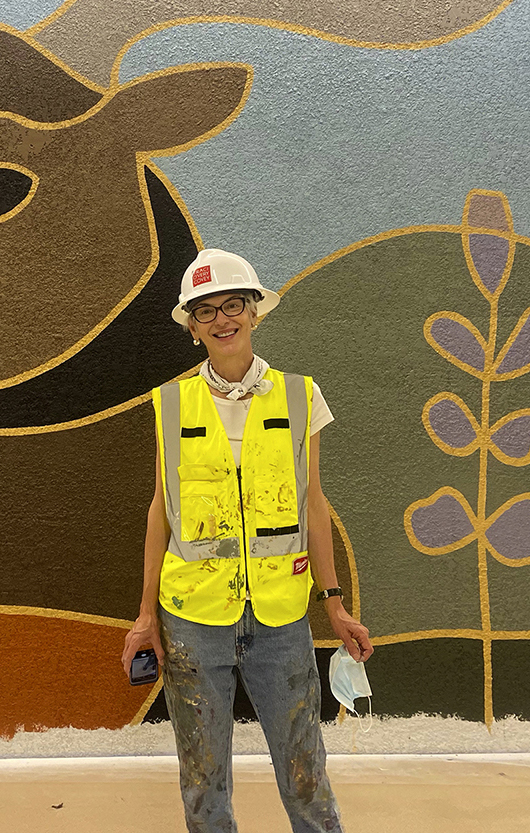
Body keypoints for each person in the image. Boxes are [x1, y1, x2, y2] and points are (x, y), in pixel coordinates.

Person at [121, 248, 373, 833]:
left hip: (281, 614)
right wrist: (144, 617)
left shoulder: (299, 396)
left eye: (233, 304)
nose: (221, 319)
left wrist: (332, 603)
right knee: (203, 778)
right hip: (192, 617)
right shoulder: (170, 404)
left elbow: (314, 504)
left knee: (304, 767)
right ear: (191, 327)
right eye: (204, 311)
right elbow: (163, 511)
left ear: (255, 312)